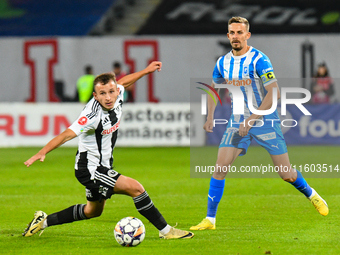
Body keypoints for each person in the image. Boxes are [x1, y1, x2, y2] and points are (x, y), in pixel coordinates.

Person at [23, 61, 194, 240]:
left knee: (92, 211)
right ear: (95, 96)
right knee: (136, 189)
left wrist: (146, 71)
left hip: (102, 164)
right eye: (102, 94)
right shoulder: (91, 116)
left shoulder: (117, 94)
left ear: (117, 92)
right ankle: (166, 231)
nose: (108, 97)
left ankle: (42, 222)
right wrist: (42, 152)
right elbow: (66, 134)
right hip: (90, 169)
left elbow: (124, 82)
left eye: (111, 92)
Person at [190, 17, 328, 231]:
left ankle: (311, 194)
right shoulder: (222, 63)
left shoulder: (259, 59)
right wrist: (210, 116)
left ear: (248, 35)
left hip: (264, 119)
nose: (236, 36)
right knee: (220, 168)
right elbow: (213, 89)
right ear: (228, 36)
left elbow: (275, 93)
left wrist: (252, 118)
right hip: (237, 121)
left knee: (286, 174)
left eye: (240, 32)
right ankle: (210, 220)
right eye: (232, 33)